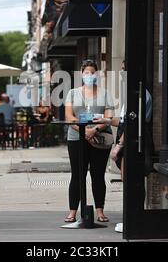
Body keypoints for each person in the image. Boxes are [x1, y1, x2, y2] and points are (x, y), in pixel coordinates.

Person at [95, 60, 153, 233]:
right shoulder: (132, 94)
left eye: (124, 69)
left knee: (131, 181)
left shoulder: (140, 95)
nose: (121, 72)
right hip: (129, 141)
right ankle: (131, 217)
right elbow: (122, 120)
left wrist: (119, 146)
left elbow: (132, 123)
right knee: (128, 181)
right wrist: (106, 120)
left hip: (134, 142)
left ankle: (134, 219)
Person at [64, 59, 115, 223]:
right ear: (81, 74)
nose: (89, 75)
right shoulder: (72, 93)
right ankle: (72, 211)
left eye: (92, 72)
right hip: (76, 138)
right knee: (77, 175)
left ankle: (100, 211)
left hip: (99, 138)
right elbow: (69, 116)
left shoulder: (105, 93)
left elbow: (108, 117)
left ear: (97, 74)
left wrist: (94, 130)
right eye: (86, 72)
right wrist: (83, 131)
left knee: (98, 175)